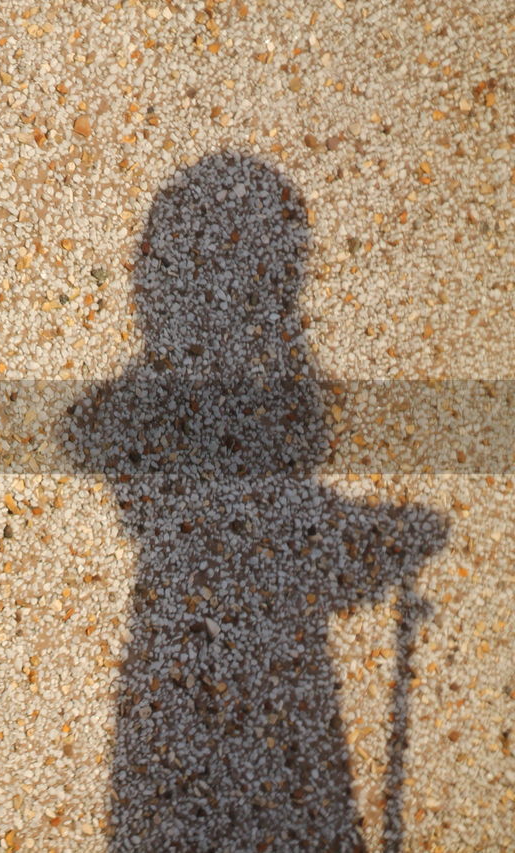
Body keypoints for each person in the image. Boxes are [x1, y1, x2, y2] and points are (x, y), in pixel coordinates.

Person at [69, 152, 448, 851]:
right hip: (239, 695)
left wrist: (373, 538)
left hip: (213, 685)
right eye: (282, 277)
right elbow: (262, 530)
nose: (290, 301)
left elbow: (264, 524)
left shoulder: (179, 397)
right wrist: (378, 541)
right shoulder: (201, 398)